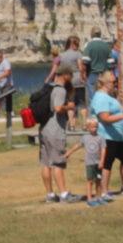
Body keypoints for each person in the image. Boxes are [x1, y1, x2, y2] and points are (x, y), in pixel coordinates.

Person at [39, 65, 82, 204]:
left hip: (44, 130)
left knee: (45, 163)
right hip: (55, 131)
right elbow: (58, 108)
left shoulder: (49, 88)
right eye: (71, 74)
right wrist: (68, 107)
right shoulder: (61, 90)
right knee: (58, 162)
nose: (72, 78)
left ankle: (50, 195)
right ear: (65, 75)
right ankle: (64, 194)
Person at [90, 71, 123, 200]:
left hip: (117, 136)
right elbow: (105, 117)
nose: (115, 84)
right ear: (104, 83)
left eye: (116, 82)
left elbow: (114, 111)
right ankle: (104, 191)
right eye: (112, 82)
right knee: (107, 163)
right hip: (107, 136)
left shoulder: (109, 96)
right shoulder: (100, 97)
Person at [60, 35, 86, 127]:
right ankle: (84, 125)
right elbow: (80, 67)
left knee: (70, 103)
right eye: (77, 43)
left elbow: (61, 70)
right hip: (78, 80)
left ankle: (72, 125)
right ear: (72, 44)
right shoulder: (78, 54)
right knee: (82, 104)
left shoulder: (62, 55)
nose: (78, 45)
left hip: (68, 81)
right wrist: (83, 77)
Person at [81, 27, 112, 105]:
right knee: (104, 95)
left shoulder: (89, 45)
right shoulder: (106, 45)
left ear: (91, 34)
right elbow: (111, 62)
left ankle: (93, 114)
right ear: (100, 34)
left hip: (92, 73)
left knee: (92, 97)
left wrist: (83, 74)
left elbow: (85, 61)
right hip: (104, 74)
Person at [81, 118, 107, 207]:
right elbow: (78, 145)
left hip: (98, 163)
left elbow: (103, 150)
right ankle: (89, 199)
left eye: (96, 127)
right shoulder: (85, 137)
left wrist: (102, 161)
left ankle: (98, 197)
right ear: (88, 128)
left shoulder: (101, 138)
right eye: (92, 127)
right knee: (90, 181)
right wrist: (68, 153)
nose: (94, 129)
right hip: (89, 163)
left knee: (98, 180)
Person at [0, 50, 14, 118]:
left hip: (7, 84)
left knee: (7, 99)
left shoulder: (6, 62)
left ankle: (11, 112)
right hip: (0, 84)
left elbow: (8, 72)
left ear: (2, 56)